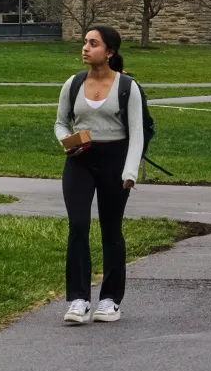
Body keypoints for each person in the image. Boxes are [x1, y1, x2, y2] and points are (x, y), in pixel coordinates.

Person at [53, 25, 147, 325]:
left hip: (114, 161)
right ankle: (78, 299)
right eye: (84, 43)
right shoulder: (73, 83)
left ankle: (109, 301)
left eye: (93, 44)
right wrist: (67, 142)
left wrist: (130, 171)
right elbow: (60, 123)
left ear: (109, 52)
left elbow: (137, 133)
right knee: (78, 225)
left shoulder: (127, 86)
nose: (85, 48)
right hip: (80, 162)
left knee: (111, 230)